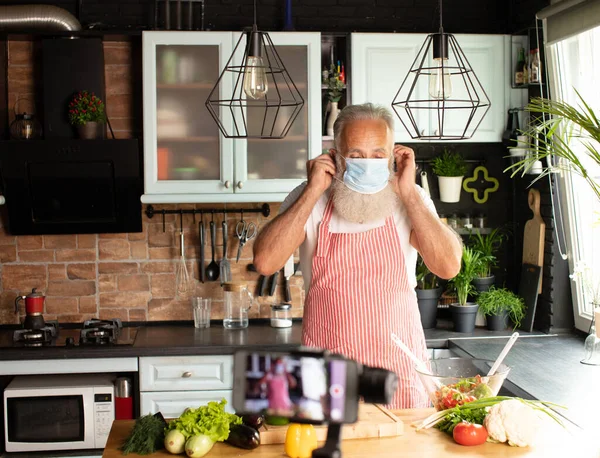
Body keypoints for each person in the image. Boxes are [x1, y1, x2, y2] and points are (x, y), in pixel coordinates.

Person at [253, 103, 462, 408]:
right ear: (335, 156)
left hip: (398, 372)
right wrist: (311, 192)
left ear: (393, 156)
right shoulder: (311, 196)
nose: (369, 163)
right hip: (328, 372)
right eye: (356, 155)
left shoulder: (410, 198)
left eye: (379, 155)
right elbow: (265, 262)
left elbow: (448, 267)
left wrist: (410, 194)